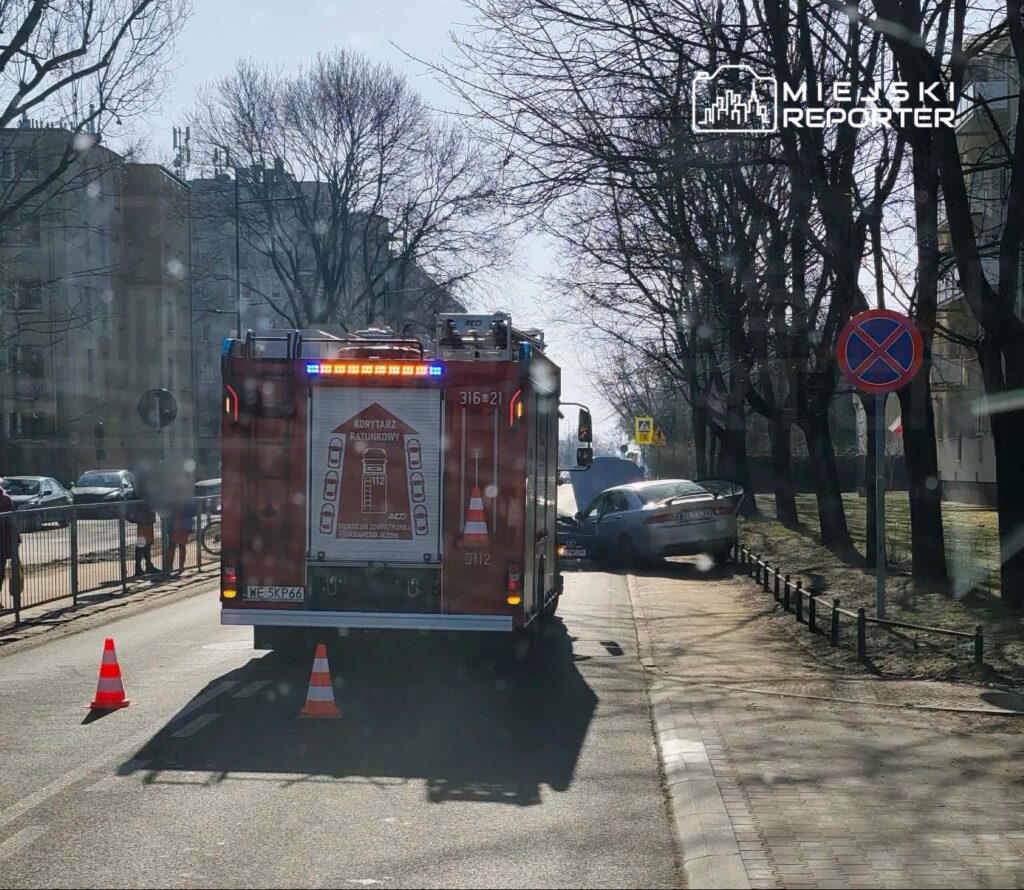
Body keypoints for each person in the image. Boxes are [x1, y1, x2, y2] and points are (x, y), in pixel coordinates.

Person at [164, 484, 195, 574]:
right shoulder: (172, 501)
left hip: (182, 526)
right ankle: (170, 567)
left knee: (180, 546)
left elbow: (193, 510)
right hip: (174, 526)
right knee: (172, 546)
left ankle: (180, 566)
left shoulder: (187, 501)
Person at [127, 497, 157, 577]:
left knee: (147, 543)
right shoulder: (143, 490)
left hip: (146, 519)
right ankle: (139, 568)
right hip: (144, 519)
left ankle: (147, 565)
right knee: (142, 544)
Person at [0, 481, 20, 598]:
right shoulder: (5, 499)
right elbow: (12, 521)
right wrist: (16, 538)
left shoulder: (5, 498)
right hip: (3, 540)